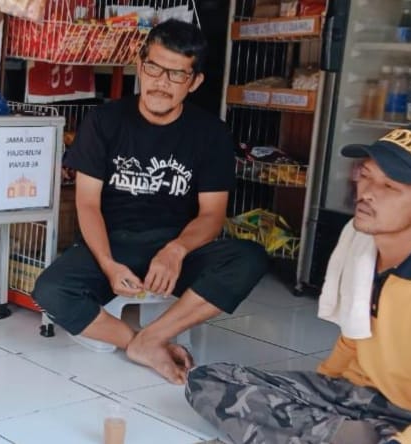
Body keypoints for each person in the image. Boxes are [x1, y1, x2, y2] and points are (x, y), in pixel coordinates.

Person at [31, 19, 268, 385]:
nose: (161, 82)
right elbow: (87, 204)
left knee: (249, 258)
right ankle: (141, 343)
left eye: (177, 74)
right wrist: (108, 264)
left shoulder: (211, 134)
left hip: (176, 249)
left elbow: (212, 215)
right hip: (112, 243)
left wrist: (176, 250)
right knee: (50, 290)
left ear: (194, 82)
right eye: (155, 68)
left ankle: (154, 336)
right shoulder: (104, 121)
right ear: (140, 66)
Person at [186, 124, 411, 444]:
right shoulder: (361, 247)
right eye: (366, 175)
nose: (367, 192)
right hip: (357, 396)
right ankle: (343, 435)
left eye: (390, 186)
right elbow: (353, 335)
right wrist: (319, 395)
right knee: (206, 380)